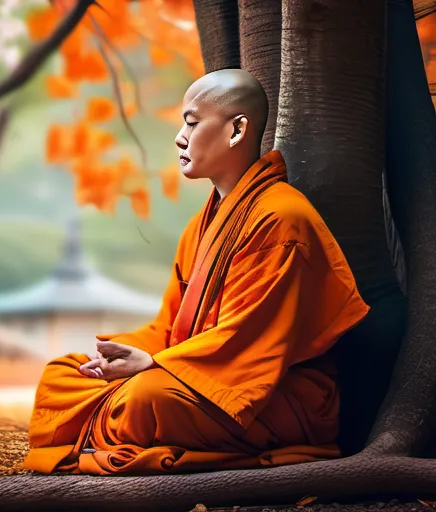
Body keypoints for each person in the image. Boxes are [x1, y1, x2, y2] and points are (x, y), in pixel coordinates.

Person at [21, 68, 370, 475]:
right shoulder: (203, 223)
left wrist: (152, 365)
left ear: (237, 130)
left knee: (143, 400)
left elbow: (249, 343)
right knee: (62, 375)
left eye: (191, 122)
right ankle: (114, 423)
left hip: (270, 393)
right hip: (195, 373)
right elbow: (171, 324)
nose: (179, 138)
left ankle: (108, 430)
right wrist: (123, 355)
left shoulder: (281, 218)